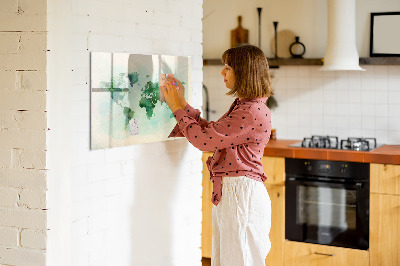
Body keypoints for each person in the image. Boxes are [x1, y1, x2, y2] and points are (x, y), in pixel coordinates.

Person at [161, 44, 273, 266]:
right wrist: (182, 103)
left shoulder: (250, 111)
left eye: (228, 67)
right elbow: (212, 133)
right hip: (236, 193)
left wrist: (176, 108)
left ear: (244, 72)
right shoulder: (246, 106)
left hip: (241, 195)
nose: (222, 72)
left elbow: (204, 141)